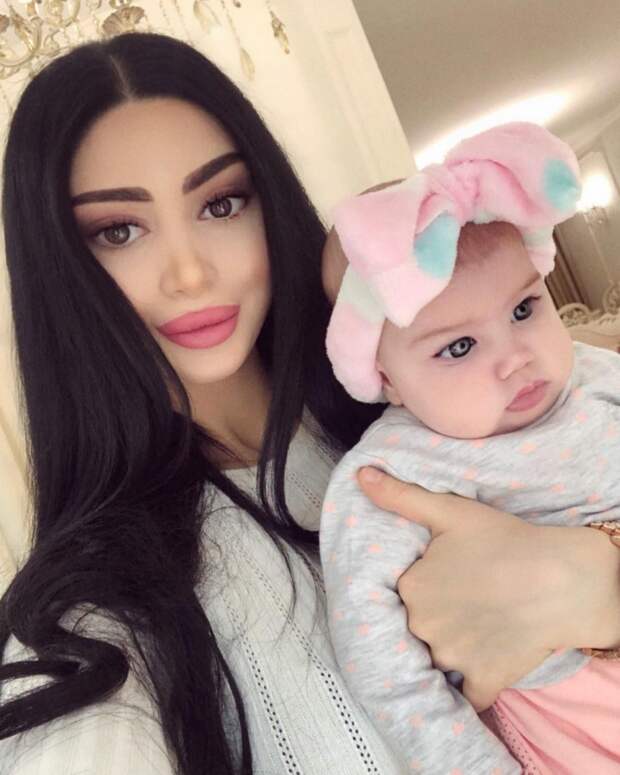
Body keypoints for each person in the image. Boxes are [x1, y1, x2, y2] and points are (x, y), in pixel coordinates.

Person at [0, 30, 620, 775]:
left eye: (221, 203)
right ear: (60, 266)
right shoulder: (94, 613)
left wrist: (598, 575)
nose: (190, 274)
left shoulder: (466, 394)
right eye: (119, 230)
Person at [321, 122, 620, 773]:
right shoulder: (393, 472)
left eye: (523, 310)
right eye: (458, 347)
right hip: (560, 707)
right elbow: (380, 659)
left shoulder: (596, 374)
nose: (516, 358)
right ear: (387, 380)